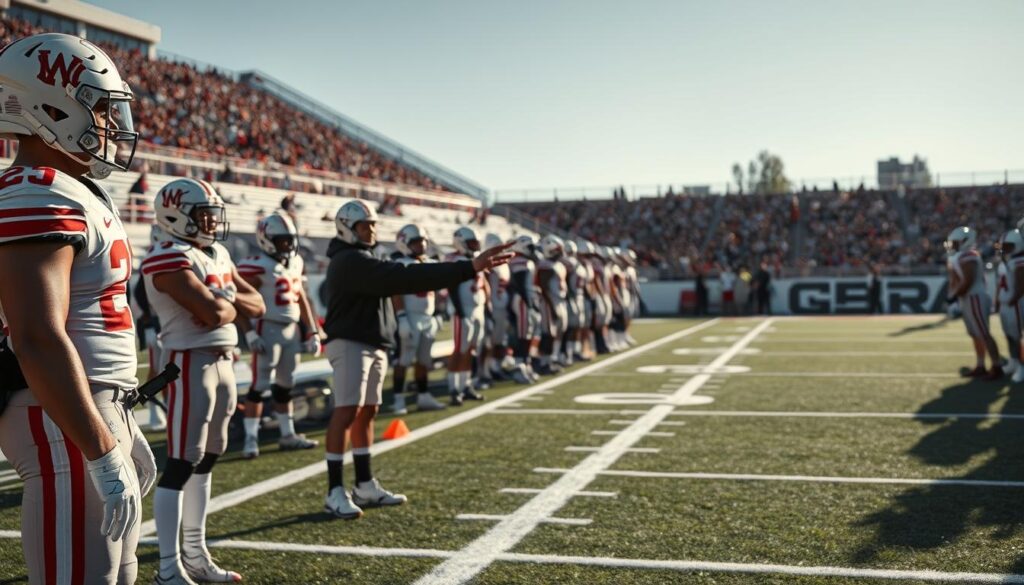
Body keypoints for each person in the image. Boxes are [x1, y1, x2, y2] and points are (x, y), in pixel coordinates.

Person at [0, 32, 155, 585]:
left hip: (88, 406)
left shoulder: (71, 188)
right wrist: (100, 448)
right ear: (51, 106)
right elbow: (37, 336)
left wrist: (121, 426)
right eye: (100, 108)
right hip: (61, 410)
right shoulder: (36, 190)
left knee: (116, 573)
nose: (111, 125)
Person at [321, 200, 512, 520]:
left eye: (372, 225)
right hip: (351, 341)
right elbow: (407, 276)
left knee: (368, 411)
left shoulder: (363, 257)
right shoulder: (349, 260)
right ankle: (334, 490)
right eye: (364, 226)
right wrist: (468, 267)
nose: (371, 231)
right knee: (346, 411)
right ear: (346, 228)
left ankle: (364, 484)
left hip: (371, 341)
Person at [144, 178, 266, 583]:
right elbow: (212, 314)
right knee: (181, 462)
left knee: (208, 458)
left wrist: (223, 300)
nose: (212, 222)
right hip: (188, 362)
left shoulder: (217, 253)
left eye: (213, 214)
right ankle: (168, 567)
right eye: (204, 214)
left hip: (224, 361)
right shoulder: (167, 256)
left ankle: (196, 555)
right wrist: (226, 303)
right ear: (176, 214)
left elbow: (257, 304)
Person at [237, 212, 322, 459]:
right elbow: (238, 301)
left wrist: (312, 330)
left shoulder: (295, 262)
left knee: (286, 384)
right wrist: (249, 332)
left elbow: (301, 297)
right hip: (268, 328)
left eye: (290, 239)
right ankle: (251, 438)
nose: (287, 245)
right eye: (282, 240)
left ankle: (288, 434)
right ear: (267, 240)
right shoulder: (256, 264)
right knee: (260, 385)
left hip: (291, 330)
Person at [389, 224, 446, 414]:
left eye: (423, 241)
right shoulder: (400, 263)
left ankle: (423, 395)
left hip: (427, 317)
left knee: (424, 359)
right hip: (409, 316)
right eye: (416, 242)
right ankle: (398, 398)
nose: (421, 245)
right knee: (403, 359)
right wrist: (401, 316)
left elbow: (436, 290)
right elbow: (396, 291)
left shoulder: (429, 262)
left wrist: (437, 313)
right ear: (404, 243)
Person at [945, 226, 1003, 380]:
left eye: (955, 242)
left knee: (983, 333)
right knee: (975, 334)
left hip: (974, 297)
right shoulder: (961, 255)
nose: (952, 245)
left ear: (964, 241)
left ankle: (997, 366)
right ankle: (980, 365)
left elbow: (968, 280)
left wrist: (954, 295)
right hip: (968, 297)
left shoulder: (969, 255)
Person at [446, 227, 489, 404]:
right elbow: (452, 287)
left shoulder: (476, 259)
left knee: (471, 349)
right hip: (463, 310)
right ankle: (453, 388)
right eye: (471, 243)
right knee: (459, 349)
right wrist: (460, 312)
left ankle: (465, 385)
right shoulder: (454, 260)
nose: (475, 246)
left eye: (476, 243)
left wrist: (487, 305)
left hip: (478, 309)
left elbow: (483, 283)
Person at [536, 235, 568, 373]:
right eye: (558, 250)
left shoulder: (558, 265)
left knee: (558, 332)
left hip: (558, 301)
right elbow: (544, 288)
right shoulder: (545, 266)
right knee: (548, 333)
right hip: (548, 302)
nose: (561, 252)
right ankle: (544, 362)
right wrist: (551, 307)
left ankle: (553, 358)